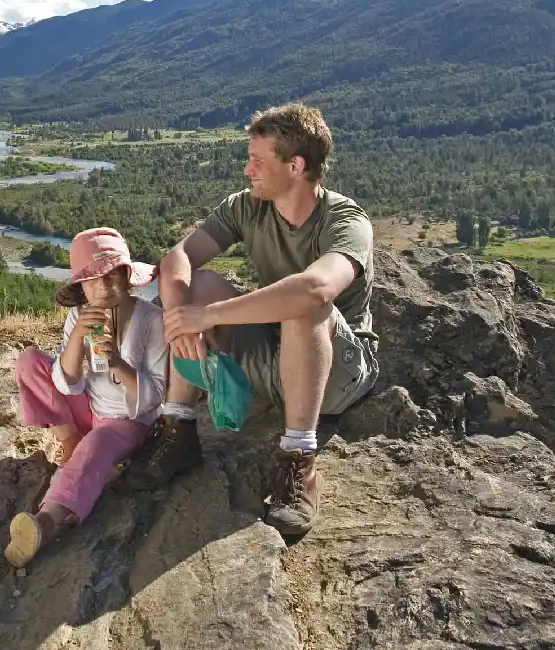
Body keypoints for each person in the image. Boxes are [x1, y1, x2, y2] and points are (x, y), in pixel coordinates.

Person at [121, 104, 380, 536]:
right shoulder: (248, 207)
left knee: (303, 303)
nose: (247, 169)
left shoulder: (345, 221)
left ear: (295, 165)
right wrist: (182, 319)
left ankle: (299, 461)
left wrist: (210, 316)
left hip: (338, 375)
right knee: (196, 284)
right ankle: (177, 429)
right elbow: (178, 258)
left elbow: (317, 289)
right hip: (275, 359)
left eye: (258, 161)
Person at [4, 228, 168, 568]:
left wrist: (119, 364)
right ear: (81, 286)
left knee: (97, 446)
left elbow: (156, 397)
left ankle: (47, 521)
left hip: (128, 420)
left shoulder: (152, 321)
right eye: (93, 281)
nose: (104, 288)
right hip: (89, 406)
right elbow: (67, 384)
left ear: (127, 276)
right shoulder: (79, 316)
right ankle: (70, 441)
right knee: (30, 362)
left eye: (112, 277)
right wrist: (78, 338)